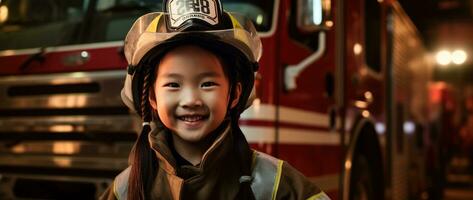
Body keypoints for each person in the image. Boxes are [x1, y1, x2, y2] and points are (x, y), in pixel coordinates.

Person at [100, 0, 329, 199]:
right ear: (152, 97)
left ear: (235, 94)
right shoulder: (125, 188)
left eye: (207, 83)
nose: (190, 100)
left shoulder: (276, 182)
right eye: (173, 84)